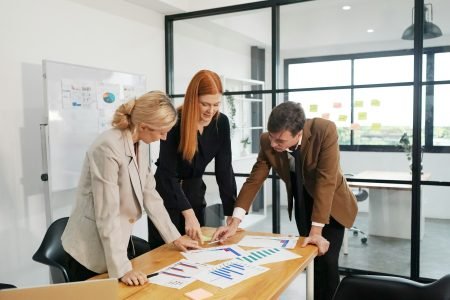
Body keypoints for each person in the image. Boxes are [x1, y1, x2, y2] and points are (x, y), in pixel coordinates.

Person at [212, 101, 358, 300]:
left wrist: (316, 231)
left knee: (328, 262)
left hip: (331, 203)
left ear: (299, 133)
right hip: (302, 200)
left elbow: (326, 181)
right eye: (271, 137)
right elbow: (255, 178)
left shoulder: (324, 130)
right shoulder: (268, 141)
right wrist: (234, 221)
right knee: (310, 258)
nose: (273, 144)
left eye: (279, 140)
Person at [61, 91, 200, 286]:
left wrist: (174, 238)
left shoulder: (139, 143)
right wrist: (122, 269)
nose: (165, 137)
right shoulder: (107, 147)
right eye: (161, 131)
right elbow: (106, 213)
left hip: (116, 242)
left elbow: (150, 195)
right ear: (143, 126)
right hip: (89, 251)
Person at [147, 70, 237, 248]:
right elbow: (167, 174)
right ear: (193, 99)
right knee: (166, 253)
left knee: (196, 252)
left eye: (216, 104)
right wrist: (188, 215)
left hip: (195, 194)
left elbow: (224, 169)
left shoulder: (221, 123)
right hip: (167, 197)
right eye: (205, 104)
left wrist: (230, 214)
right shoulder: (175, 122)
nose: (211, 111)